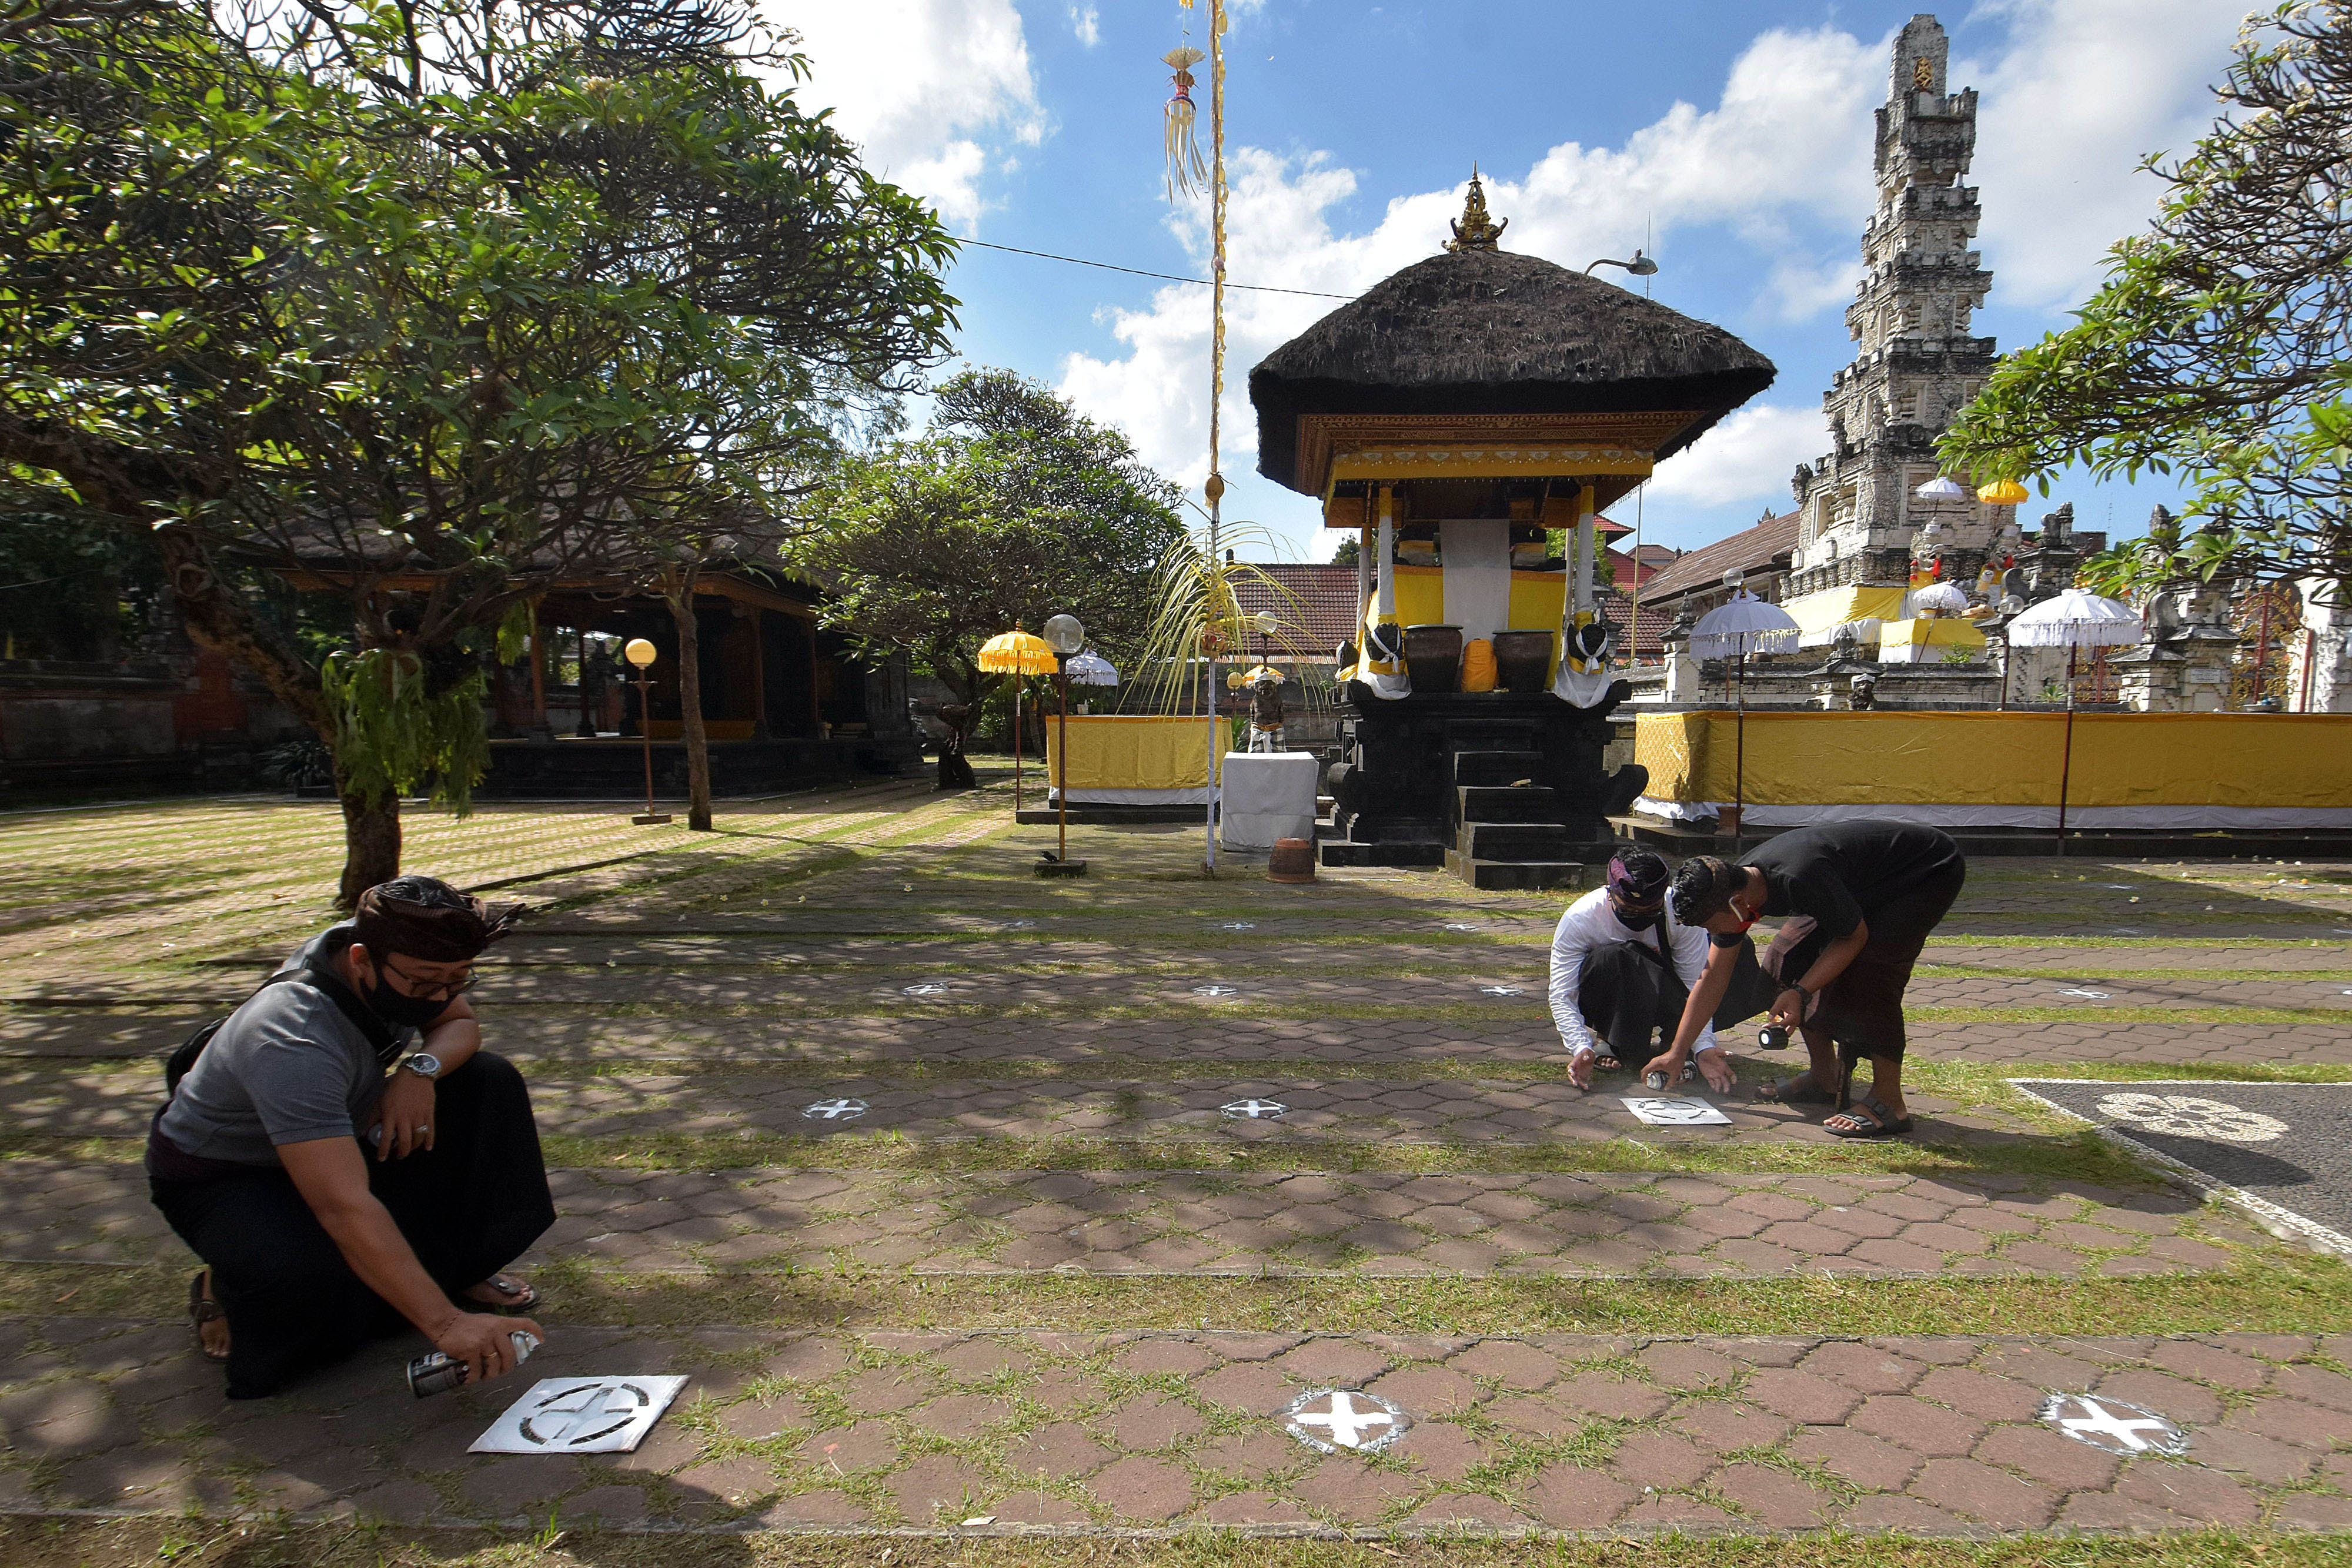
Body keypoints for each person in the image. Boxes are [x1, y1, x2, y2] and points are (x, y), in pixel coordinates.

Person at [148, 876, 554, 1398]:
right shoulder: (292, 1037)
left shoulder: (398, 946)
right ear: (361, 960)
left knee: (486, 1081)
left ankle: (447, 1273)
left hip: (336, 1131)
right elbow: (343, 1204)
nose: (441, 994)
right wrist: (447, 1327)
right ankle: (222, 1282)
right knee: (301, 1292)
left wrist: (419, 1072)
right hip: (230, 1173)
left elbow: (459, 1026)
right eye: (426, 982)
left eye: (458, 979)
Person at [1648, 821, 1967, 1139]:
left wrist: (1801, 992)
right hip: (1854, 881)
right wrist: (1678, 1052)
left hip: (1924, 870)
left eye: (1710, 926)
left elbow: (1853, 938)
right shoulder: (1740, 887)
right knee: (1784, 957)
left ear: (1738, 904)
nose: (1710, 935)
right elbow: (1712, 978)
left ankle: (1889, 1103)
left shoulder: (1798, 876)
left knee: (1871, 973)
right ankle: (1824, 1076)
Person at [1548, 848, 1768, 1091]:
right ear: (1609, 893)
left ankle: (1675, 1043)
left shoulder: (1680, 913)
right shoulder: (1581, 918)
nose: (1640, 916)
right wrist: (1580, 1046)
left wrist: (1701, 1046)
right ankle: (1616, 1041)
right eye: (1630, 909)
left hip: (1668, 990)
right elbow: (1562, 994)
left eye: (1650, 910)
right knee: (1618, 956)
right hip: (1612, 994)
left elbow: (1698, 983)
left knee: (1735, 951)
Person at [1246, 670, 1287, 753]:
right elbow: (1252, 713)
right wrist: (1253, 724)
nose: (1265, 692)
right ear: (1257, 689)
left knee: (1279, 756)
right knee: (1255, 755)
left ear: (1274, 689)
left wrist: (1280, 722)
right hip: (1258, 727)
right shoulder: (1255, 700)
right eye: (1263, 689)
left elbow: (1281, 712)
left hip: (1275, 727)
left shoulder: (1277, 699)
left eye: (1269, 689)